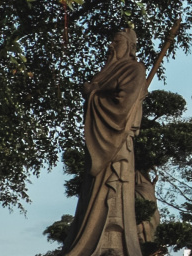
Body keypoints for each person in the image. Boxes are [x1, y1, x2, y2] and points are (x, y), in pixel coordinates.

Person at [63, 28, 147, 256]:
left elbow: (122, 104)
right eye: (111, 41)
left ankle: (115, 242)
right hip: (99, 140)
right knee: (93, 192)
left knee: (115, 190)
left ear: (129, 47)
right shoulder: (107, 71)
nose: (112, 45)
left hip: (117, 143)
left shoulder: (134, 69)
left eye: (117, 41)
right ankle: (88, 239)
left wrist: (92, 94)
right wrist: (93, 92)